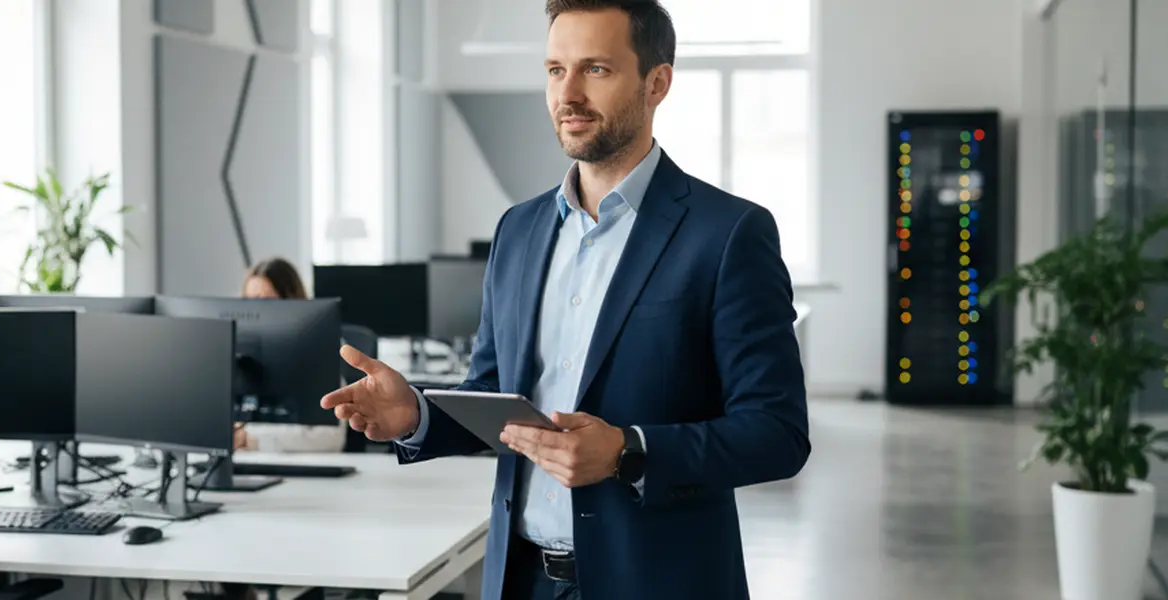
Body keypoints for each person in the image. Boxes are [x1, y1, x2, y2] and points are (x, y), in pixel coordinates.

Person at [321, 1, 811, 598]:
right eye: (555, 70)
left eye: (595, 69)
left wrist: (629, 451)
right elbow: (495, 397)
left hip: (657, 582)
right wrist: (416, 415)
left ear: (656, 83)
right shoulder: (518, 230)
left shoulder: (728, 233)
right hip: (521, 579)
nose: (568, 94)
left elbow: (776, 432)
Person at [234, 257, 348, 453]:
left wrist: (253, 440)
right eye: (250, 301)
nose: (256, 311)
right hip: (246, 466)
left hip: (303, 471)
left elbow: (330, 437)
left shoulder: (319, 351)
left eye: (267, 301)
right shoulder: (239, 358)